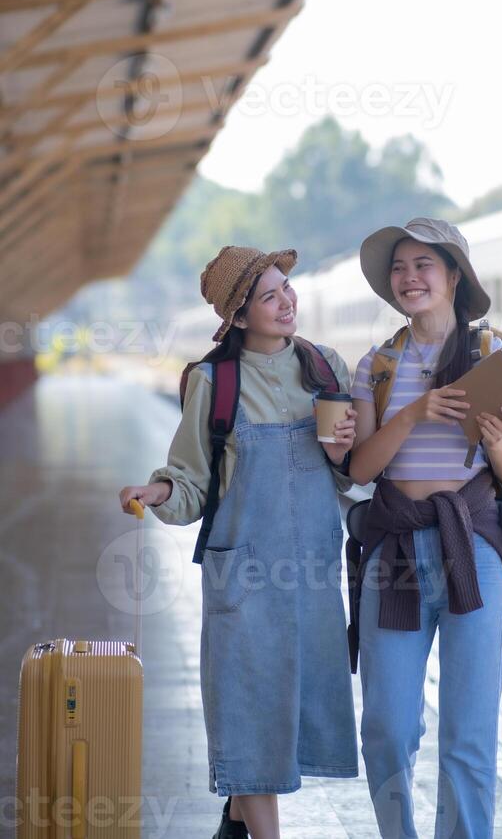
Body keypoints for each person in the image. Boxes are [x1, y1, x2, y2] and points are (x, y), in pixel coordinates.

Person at [119, 245, 358, 839]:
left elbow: (352, 472)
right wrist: (159, 493)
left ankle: (235, 820)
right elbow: (191, 479)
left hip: (309, 576)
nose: (287, 302)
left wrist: (343, 452)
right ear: (240, 316)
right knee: (249, 713)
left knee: (294, 710)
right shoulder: (212, 381)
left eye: (286, 288)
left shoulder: (326, 368)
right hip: (243, 575)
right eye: (269, 296)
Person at [348, 218, 502, 839]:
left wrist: (501, 439)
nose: (409, 277)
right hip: (393, 549)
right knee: (387, 730)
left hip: (472, 547)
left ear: (454, 276)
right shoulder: (378, 365)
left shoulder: (491, 356)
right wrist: (417, 412)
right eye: (400, 267)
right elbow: (360, 468)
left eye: (424, 264)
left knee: (468, 736)